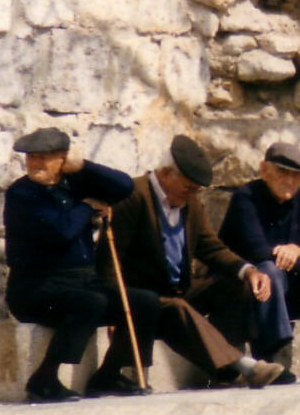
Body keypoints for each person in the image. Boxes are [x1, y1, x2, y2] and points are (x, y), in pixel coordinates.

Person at [97, 135, 288, 391]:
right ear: (165, 174)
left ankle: (224, 372)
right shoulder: (134, 196)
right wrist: (116, 305)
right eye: (188, 188)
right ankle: (244, 367)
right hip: (142, 296)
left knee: (234, 286)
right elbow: (110, 259)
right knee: (176, 307)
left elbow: (211, 246)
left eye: (196, 190)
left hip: (178, 289)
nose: (192, 195)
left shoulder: (190, 202)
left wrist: (248, 271)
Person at [2, 127, 156, 403]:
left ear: (63, 159)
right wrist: (87, 208)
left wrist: (84, 167)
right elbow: (60, 231)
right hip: (36, 288)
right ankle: (45, 378)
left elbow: (124, 187)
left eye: (44, 158)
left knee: (145, 302)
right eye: (31, 158)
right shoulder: (22, 194)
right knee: (90, 303)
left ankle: (108, 374)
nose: (35, 164)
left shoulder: (73, 184)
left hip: (81, 283)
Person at [216, 138, 300, 383]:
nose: (290, 181)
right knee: (269, 270)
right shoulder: (245, 198)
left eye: (297, 176)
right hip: (248, 290)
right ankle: (273, 359)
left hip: (290, 289)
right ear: (264, 169)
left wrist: (297, 251)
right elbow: (258, 251)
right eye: (282, 172)